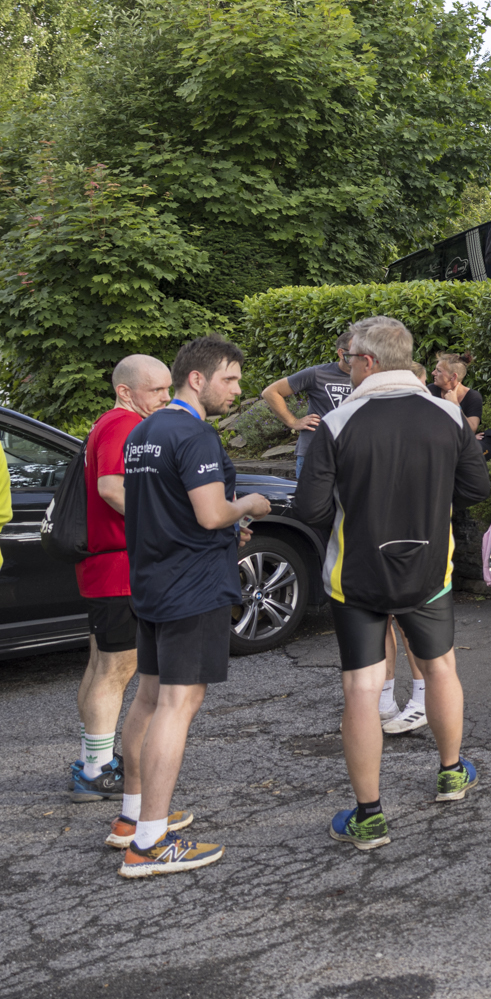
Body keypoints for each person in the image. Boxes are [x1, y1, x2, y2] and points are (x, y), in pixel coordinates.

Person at [296, 317, 491, 850]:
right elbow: (476, 488)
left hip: (356, 571)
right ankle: (452, 773)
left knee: (361, 687)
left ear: (369, 361)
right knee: (440, 667)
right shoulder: (447, 414)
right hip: (428, 569)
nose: (346, 367)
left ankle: (369, 815)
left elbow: (310, 508)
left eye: (349, 359)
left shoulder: (338, 422)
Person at [117, 335, 273, 878]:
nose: (238, 390)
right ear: (197, 378)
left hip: (153, 581)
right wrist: (248, 504)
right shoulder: (194, 433)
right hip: (192, 586)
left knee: (149, 697)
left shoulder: (144, 431)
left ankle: (132, 819)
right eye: (230, 378)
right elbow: (210, 514)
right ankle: (150, 843)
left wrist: (226, 525)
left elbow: (169, 509)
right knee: (177, 704)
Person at [70, 356, 173, 821]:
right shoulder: (123, 424)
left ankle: (93, 759)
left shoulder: (107, 423)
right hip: (118, 567)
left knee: (101, 665)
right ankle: (95, 771)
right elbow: (112, 488)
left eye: (168, 388)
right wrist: (164, 521)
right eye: (156, 390)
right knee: (117, 669)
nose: (166, 398)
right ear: (126, 391)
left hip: (104, 566)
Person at [261, 335, 354, 478]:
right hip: (315, 453)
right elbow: (271, 392)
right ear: (341, 353)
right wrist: (293, 422)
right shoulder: (317, 374)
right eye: (357, 352)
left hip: (353, 454)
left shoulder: (371, 377)